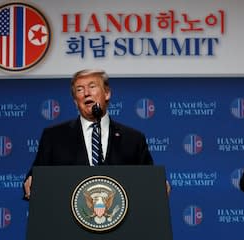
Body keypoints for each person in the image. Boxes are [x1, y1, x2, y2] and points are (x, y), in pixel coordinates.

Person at [23, 69, 156, 199]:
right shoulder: (53, 137)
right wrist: (32, 181)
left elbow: (148, 180)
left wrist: (158, 185)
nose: (86, 93)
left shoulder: (133, 139)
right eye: (79, 90)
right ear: (76, 101)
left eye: (92, 87)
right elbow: (35, 177)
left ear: (107, 93)